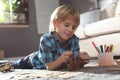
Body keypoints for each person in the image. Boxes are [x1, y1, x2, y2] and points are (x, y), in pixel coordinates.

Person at [1, 5, 90, 71]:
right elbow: (49, 67)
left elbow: (72, 64)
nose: (70, 30)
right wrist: (61, 59)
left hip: (53, 62)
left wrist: (81, 61)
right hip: (34, 61)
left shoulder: (74, 40)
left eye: (74, 27)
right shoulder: (46, 39)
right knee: (12, 64)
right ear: (55, 23)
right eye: (67, 25)